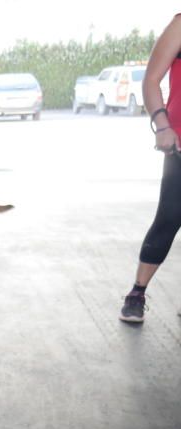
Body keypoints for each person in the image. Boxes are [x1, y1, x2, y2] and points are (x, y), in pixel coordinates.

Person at [119, 14, 181, 324]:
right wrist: (161, 125)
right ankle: (137, 292)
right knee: (169, 219)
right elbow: (152, 79)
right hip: (180, 143)